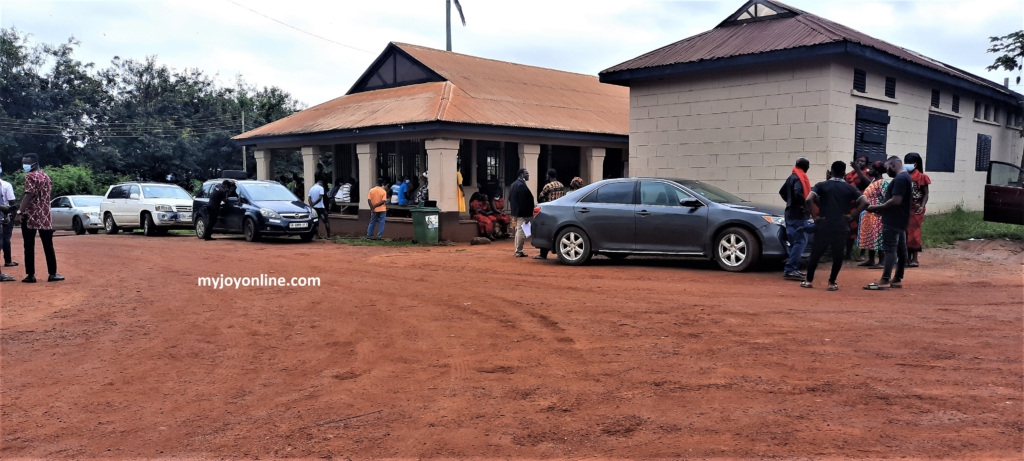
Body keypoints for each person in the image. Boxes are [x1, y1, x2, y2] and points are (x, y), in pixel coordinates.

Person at [800, 161, 869, 291]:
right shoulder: (850, 188)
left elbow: (808, 199)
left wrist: (815, 217)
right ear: (844, 173)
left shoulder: (822, 185)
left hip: (824, 224)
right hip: (841, 225)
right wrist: (852, 215)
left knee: (816, 254)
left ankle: (808, 281)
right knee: (838, 256)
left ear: (831, 172)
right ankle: (831, 283)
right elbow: (865, 202)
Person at [865, 156, 913, 290]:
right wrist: (882, 210)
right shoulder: (905, 177)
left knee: (890, 248)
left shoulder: (900, 179)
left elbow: (896, 200)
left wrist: (877, 207)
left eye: (887, 168)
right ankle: (897, 278)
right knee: (901, 249)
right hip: (900, 218)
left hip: (893, 219)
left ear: (892, 164)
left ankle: (885, 279)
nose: (886, 171)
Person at [16, 153, 62, 283]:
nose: (24, 165)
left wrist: (20, 211)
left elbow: (29, 194)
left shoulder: (30, 176)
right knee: (48, 244)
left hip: (30, 215)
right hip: (45, 215)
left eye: (26, 163)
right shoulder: (46, 176)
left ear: (34, 163)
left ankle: (31, 275)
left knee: (29, 245)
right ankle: (52, 274)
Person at [779, 157, 811, 280]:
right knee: (800, 241)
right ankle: (790, 269)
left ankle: (793, 269)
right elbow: (798, 193)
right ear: (805, 166)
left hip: (790, 213)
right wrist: (802, 205)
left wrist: (789, 202)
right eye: (808, 165)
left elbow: (782, 192)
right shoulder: (799, 178)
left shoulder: (791, 177)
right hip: (798, 214)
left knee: (795, 242)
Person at [857, 162, 889, 269]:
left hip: (877, 213)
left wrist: (880, 209)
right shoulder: (872, 181)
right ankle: (871, 260)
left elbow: (887, 198)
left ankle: (882, 261)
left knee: (878, 237)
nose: (868, 170)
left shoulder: (882, 183)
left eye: (871, 168)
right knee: (871, 237)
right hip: (868, 213)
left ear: (877, 170)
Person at [904, 152, 931, 267]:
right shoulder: (903, 175)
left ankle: (914, 259)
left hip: (916, 208)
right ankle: (906, 258)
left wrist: (922, 205)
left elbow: (925, 193)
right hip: (904, 207)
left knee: (914, 232)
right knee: (905, 232)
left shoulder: (921, 177)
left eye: (910, 162)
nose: (908, 164)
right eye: (906, 162)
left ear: (916, 164)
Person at [534, 169, 566, 260]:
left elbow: (540, 197)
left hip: (550, 210)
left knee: (545, 231)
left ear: (548, 176)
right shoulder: (561, 185)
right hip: (560, 210)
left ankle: (543, 254)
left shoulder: (548, 186)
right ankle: (560, 253)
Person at [844, 156, 872, 260]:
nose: (860, 162)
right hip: (850, 204)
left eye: (862, 161)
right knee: (850, 228)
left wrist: (858, 169)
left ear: (867, 164)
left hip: (861, 204)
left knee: (862, 228)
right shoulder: (850, 174)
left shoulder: (868, 173)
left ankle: (862, 254)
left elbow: (867, 183)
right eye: (858, 161)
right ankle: (848, 253)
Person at [508, 168, 534, 257]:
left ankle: (518, 250)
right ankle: (518, 251)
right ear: (521, 174)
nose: (528, 175)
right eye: (526, 173)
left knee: (518, 230)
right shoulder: (521, 185)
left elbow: (509, 198)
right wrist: (526, 215)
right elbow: (524, 201)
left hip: (515, 212)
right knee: (520, 231)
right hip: (522, 213)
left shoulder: (513, 185)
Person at [0, 162, 16, 282]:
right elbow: (11, 203)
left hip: (3, 217)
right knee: (4, 240)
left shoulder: (3, 185)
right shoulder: (6, 185)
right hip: (3, 216)